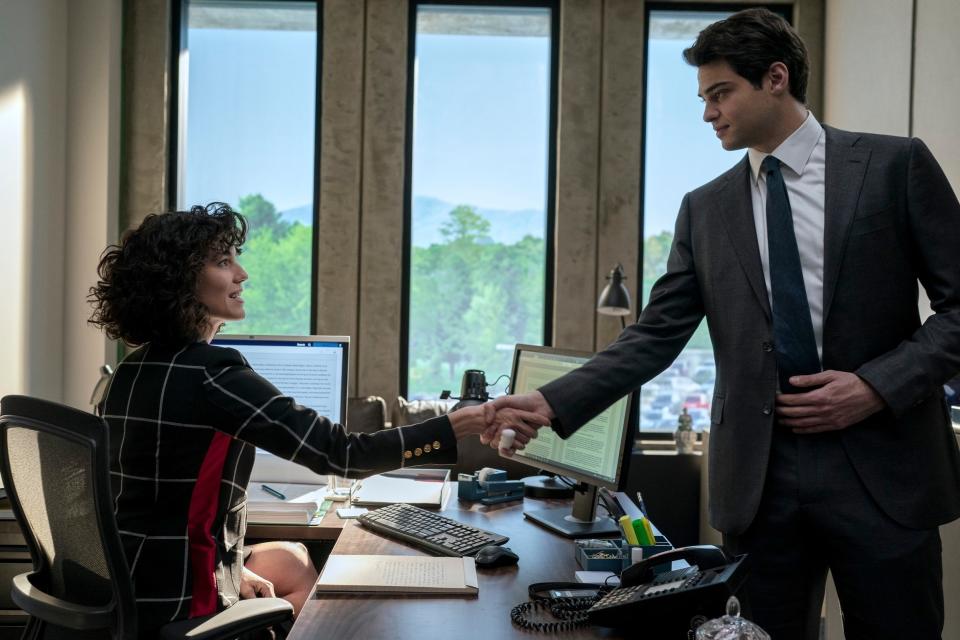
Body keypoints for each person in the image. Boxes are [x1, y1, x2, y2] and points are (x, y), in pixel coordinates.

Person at [486, 8, 960, 639]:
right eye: (704, 98)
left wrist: (874, 386)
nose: (708, 113)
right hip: (760, 486)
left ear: (775, 78)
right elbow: (655, 333)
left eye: (719, 93)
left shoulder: (894, 168)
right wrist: (549, 401)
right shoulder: (705, 209)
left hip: (884, 473)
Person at [88, 203, 547, 637]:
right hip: (178, 597)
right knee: (350, 616)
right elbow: (343, 453)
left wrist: (234, 566)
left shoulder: (133, 367)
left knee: (292, 558)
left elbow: (149, 502)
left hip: (133, 576)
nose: (242, 274)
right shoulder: (213, 373)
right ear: (181, 280)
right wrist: (456, 424)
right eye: (224, 262)